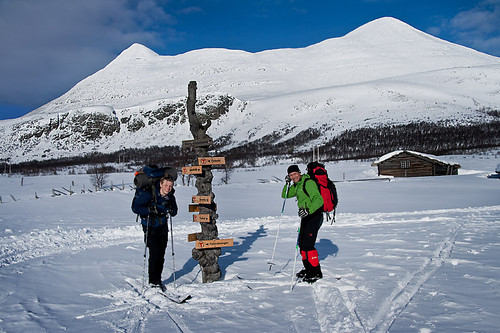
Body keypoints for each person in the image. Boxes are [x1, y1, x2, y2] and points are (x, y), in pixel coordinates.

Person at [132, 175, 178, 290]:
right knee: (154, 253)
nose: (168, 188)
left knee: (161, 253)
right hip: (150, 225)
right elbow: (135, 208)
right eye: (166, 185)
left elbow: (175, 211)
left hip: (162, 225)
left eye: (170, 186)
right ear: (161, 184)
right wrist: (149, 210)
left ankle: (157, 279)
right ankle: (153, 281)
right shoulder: (149, 194)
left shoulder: (170, 196)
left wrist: (171, 209)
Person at [282, 164, 324, 283]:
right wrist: (287, 184)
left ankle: (316, 272)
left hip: (314, 215)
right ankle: (308, 269)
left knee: (308, 245)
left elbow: (319, 200)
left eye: (295, 174)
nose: (293, 177)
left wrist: (308, 210)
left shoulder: (308, 182)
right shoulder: (297, 185)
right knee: (302, 243)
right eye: (291, 175)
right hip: (305, 216)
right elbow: (285, 195)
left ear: (299, 172)